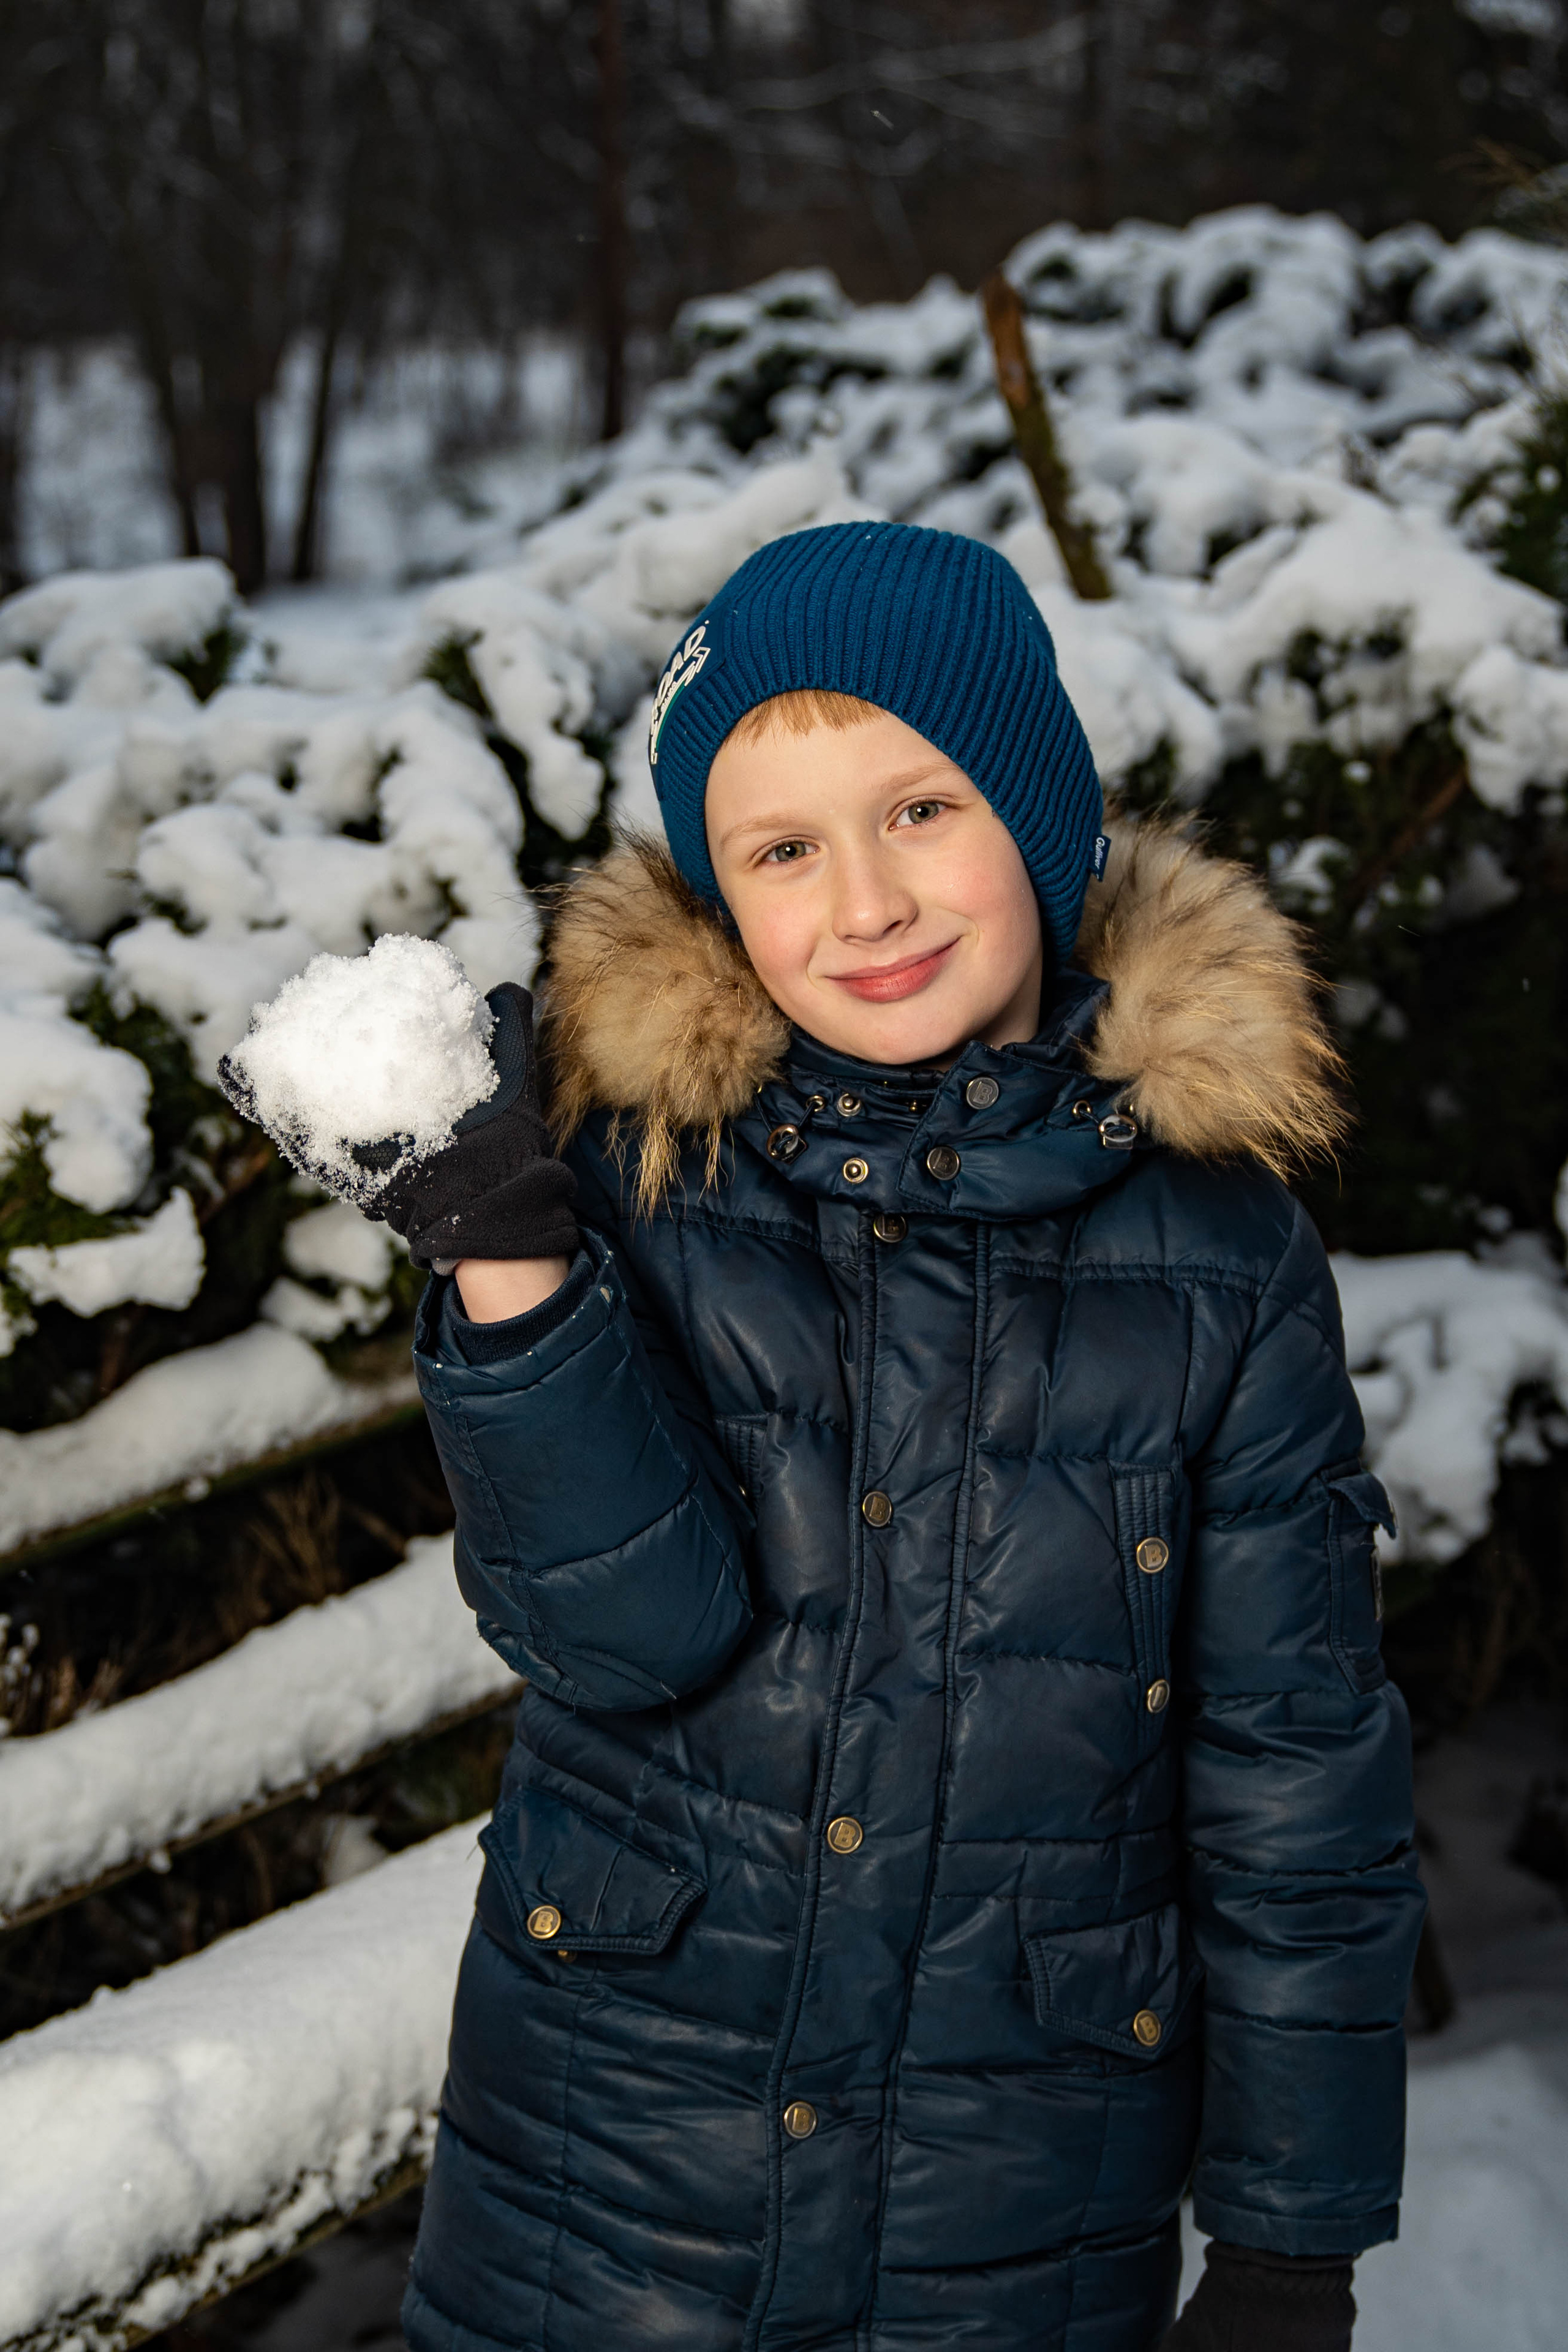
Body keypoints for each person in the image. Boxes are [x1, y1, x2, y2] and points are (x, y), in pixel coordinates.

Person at [229, 522, 1425, 2351]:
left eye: (922, 810)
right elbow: (626, 1632)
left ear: (1035, 813)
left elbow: (1297, 1779)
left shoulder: (1219, 1256)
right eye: (783, 849)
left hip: (1013, 2188)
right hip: (614, 2174)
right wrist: (511, 1261)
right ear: (719, 893)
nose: (864, 904)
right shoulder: (640, 1175)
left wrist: (1290, 2239)